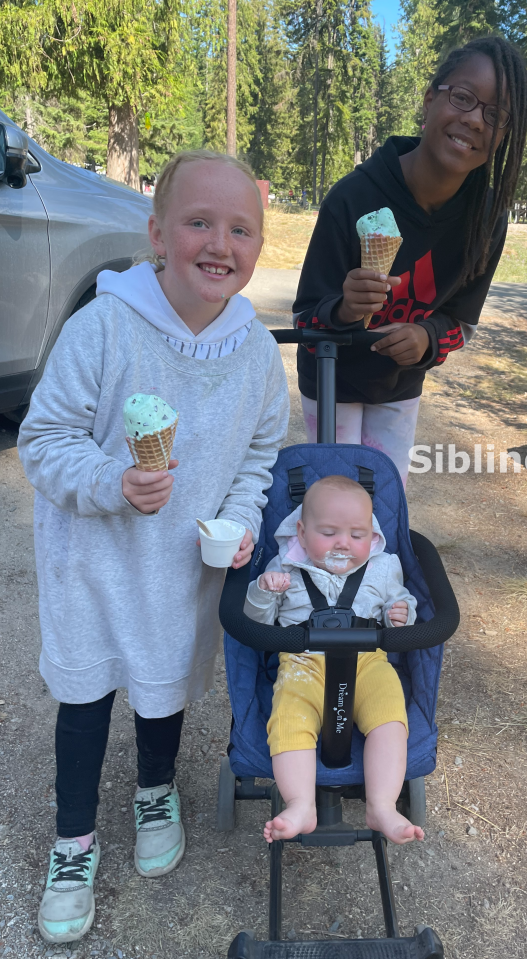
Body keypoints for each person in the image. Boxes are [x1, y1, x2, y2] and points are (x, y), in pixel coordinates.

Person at [18, 149, 290, 944]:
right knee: (87, 693)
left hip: (180, 565)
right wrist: (112, 481)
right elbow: (44, 439)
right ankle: (73, 840)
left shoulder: (255, 354)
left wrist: (240, 519)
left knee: (163, 684)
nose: (220, 243)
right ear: (157, 234)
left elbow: (258, 455)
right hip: (94, 561)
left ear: (258, 244)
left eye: (240, 228)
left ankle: (153, 787)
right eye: (198, 222)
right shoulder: (103, 325)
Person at [293, 37, 527, 485]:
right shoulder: (352, 196)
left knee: (384, 502)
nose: (475, 120)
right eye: (463, 97)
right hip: (331, 380)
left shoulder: (488, 218)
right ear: (429, 98)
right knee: (334, 506)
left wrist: (426, 335)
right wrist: (345, 309)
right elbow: (306, 319)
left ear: (504, 135)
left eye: (496, 115)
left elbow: (460, 323)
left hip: (399, 387)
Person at [243, 475, 422, 845]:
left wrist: (401, 614)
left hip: (367, 662)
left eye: (357, 535)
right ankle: (300, 803)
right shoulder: (285, 567)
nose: (344, 543)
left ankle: (382, 805)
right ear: (302, 532)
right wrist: (263, 591)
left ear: (371, 536)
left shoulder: (383, 567)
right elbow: (258, 623)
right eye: (329, 533)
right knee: (290, 718)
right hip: (301, 665)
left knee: (389, 715)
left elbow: (399, 601)